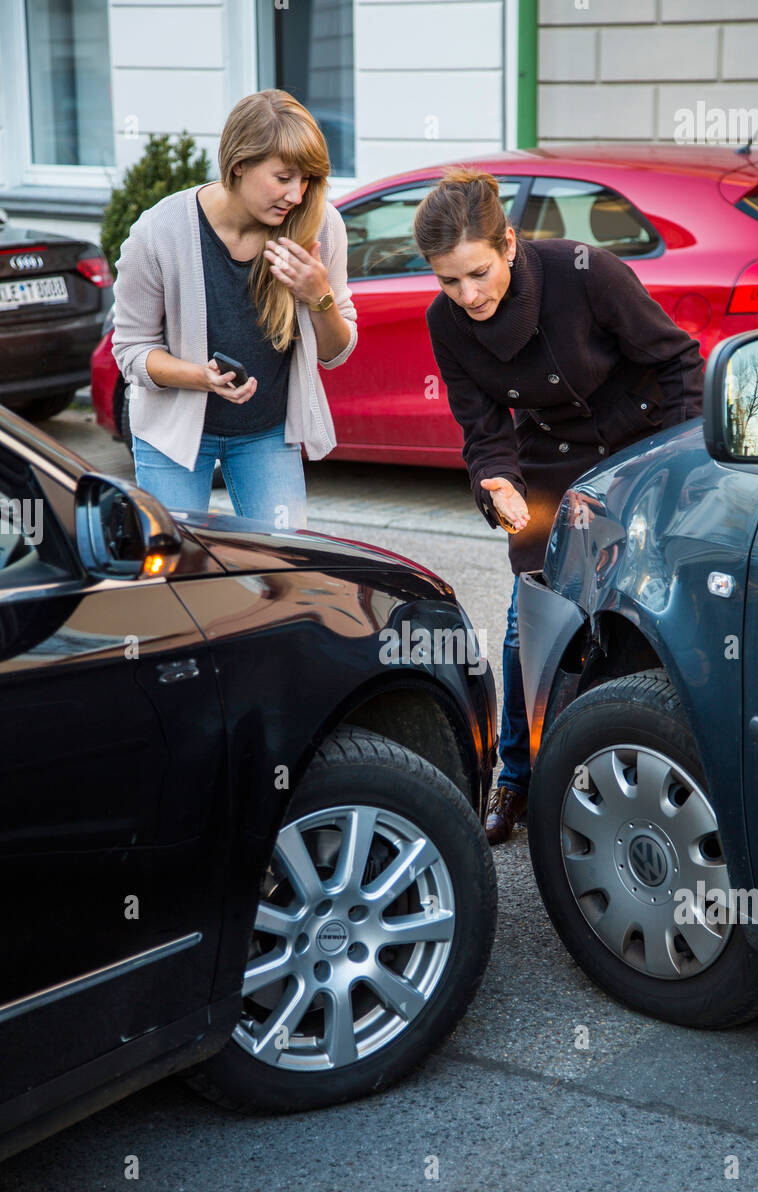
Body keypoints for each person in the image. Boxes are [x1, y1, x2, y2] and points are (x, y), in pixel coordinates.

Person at [414, 168, 705, 844]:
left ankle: (655, 750)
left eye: (478, 273)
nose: (467, 294)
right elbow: (482, 428)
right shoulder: (446, 323)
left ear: (509, 245)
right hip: (547, 464)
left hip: (643, 449)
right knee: (530, 623)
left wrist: (682, 466)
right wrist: (497, 481)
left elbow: (679, 361)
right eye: (448, 281)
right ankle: (516, 776)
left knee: (650, 611)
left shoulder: (587, 273)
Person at [112, 89, 358, 527]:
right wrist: (200, 377)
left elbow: (335, 354)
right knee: (172, 571)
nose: (297, 195)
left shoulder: (321, 226)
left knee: (286, 568)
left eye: (306, 180)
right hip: (172, 434)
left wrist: (318, 295)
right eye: (283, 178)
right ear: (239, 164)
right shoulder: (158, 232)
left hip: (266, 434)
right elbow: (130, 351)